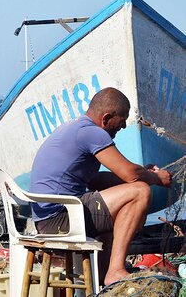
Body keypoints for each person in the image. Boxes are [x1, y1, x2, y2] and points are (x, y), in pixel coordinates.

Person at [29, 87, 172, 286]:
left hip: (49, 219)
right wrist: (155, 179)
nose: (121, 130)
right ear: (105, 118)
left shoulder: (76, 128)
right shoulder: (92, 133)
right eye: (120, 123)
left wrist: (144, 175)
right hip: (60, 219)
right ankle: (115, 271)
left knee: (125, 197)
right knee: (141, 192)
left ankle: (102, 276)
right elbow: (130, 174)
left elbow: (98, 180)